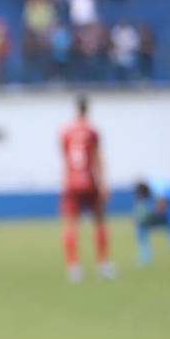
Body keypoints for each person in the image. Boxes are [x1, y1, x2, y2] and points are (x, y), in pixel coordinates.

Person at [60, 95, 114, 282]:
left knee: (71, 225)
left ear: (76, 109)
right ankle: (103, 265)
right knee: (99, 222)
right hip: (91, 181)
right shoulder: (92, 132)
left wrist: (65, 182)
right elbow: (97, 158)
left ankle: (73, 267)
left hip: (71, 182)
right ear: (87, 109)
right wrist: (104, 183)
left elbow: (66, 160)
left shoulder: (66, 132)